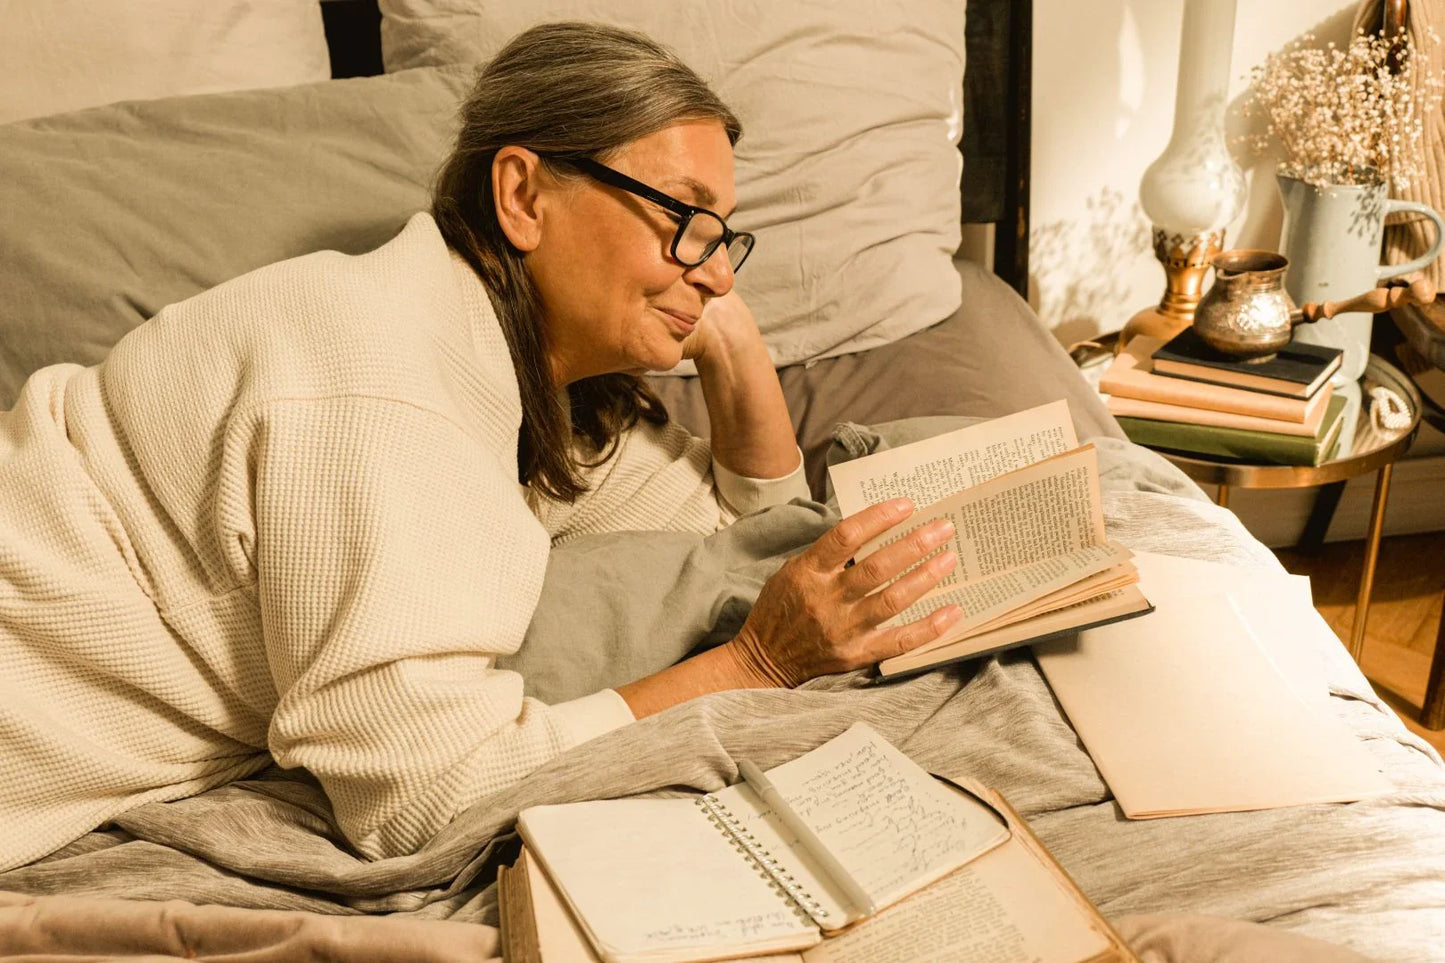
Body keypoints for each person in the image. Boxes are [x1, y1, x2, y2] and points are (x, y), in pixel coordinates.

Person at [0, 21, 962, 872]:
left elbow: (741, 531)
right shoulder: (379, 376)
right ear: (522, 195)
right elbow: (422, 795)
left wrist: (732, 341)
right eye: (680, 215)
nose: (711, 269)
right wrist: (751, 664)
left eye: (723, 237)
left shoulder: (523, 381)